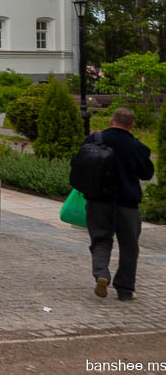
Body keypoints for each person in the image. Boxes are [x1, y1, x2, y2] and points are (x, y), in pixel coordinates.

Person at [77, 107, 155, 300]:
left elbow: (78, 162)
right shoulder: (137, 147)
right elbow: (147, 174)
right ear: (132, 125)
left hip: (97, 202)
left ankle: (102, 274)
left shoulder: (95, 139)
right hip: (127, 204)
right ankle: (125, 289)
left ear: (112, 121)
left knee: (100, 240)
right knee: (129, 246)